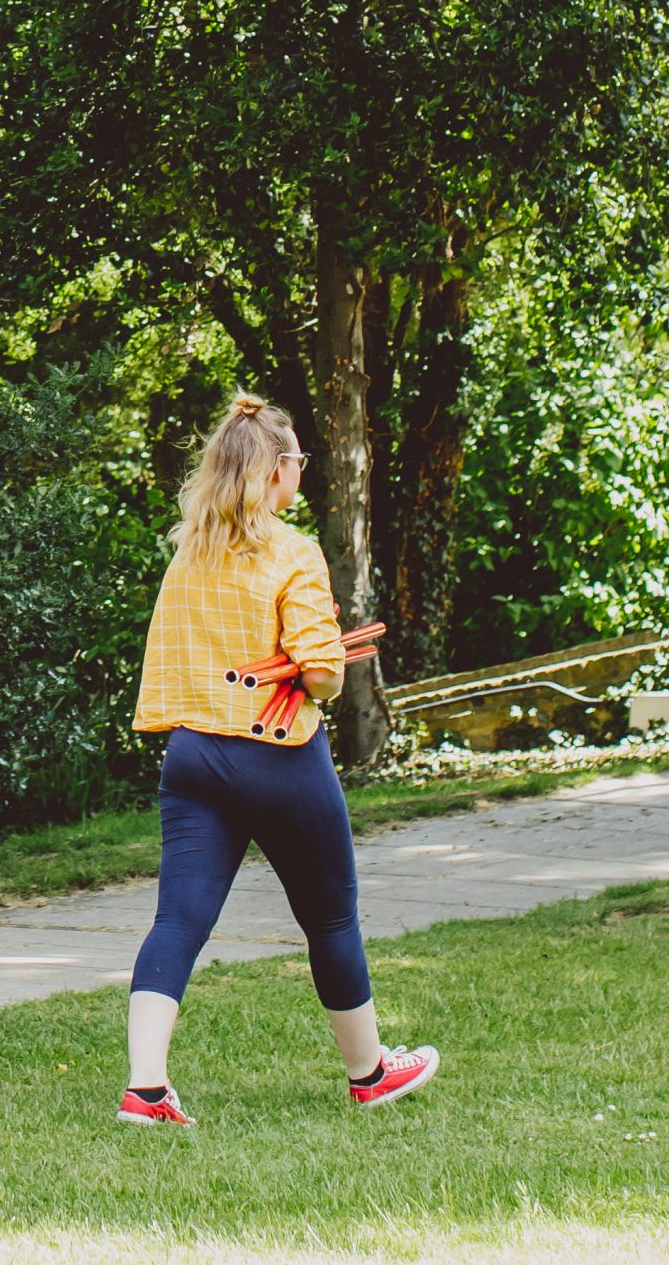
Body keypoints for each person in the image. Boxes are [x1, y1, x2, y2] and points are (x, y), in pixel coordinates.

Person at [113, 392, 440, 1127]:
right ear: (275, 472)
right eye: (296, 462)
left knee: (178, 919)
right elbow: (324, 672)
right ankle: (370, 1072)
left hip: (193, 756)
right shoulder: (292, 550)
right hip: (279, 755)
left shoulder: (189, 550)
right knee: (330, 917)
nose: (302, 472)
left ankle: (147, 1088)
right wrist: (314, 665)